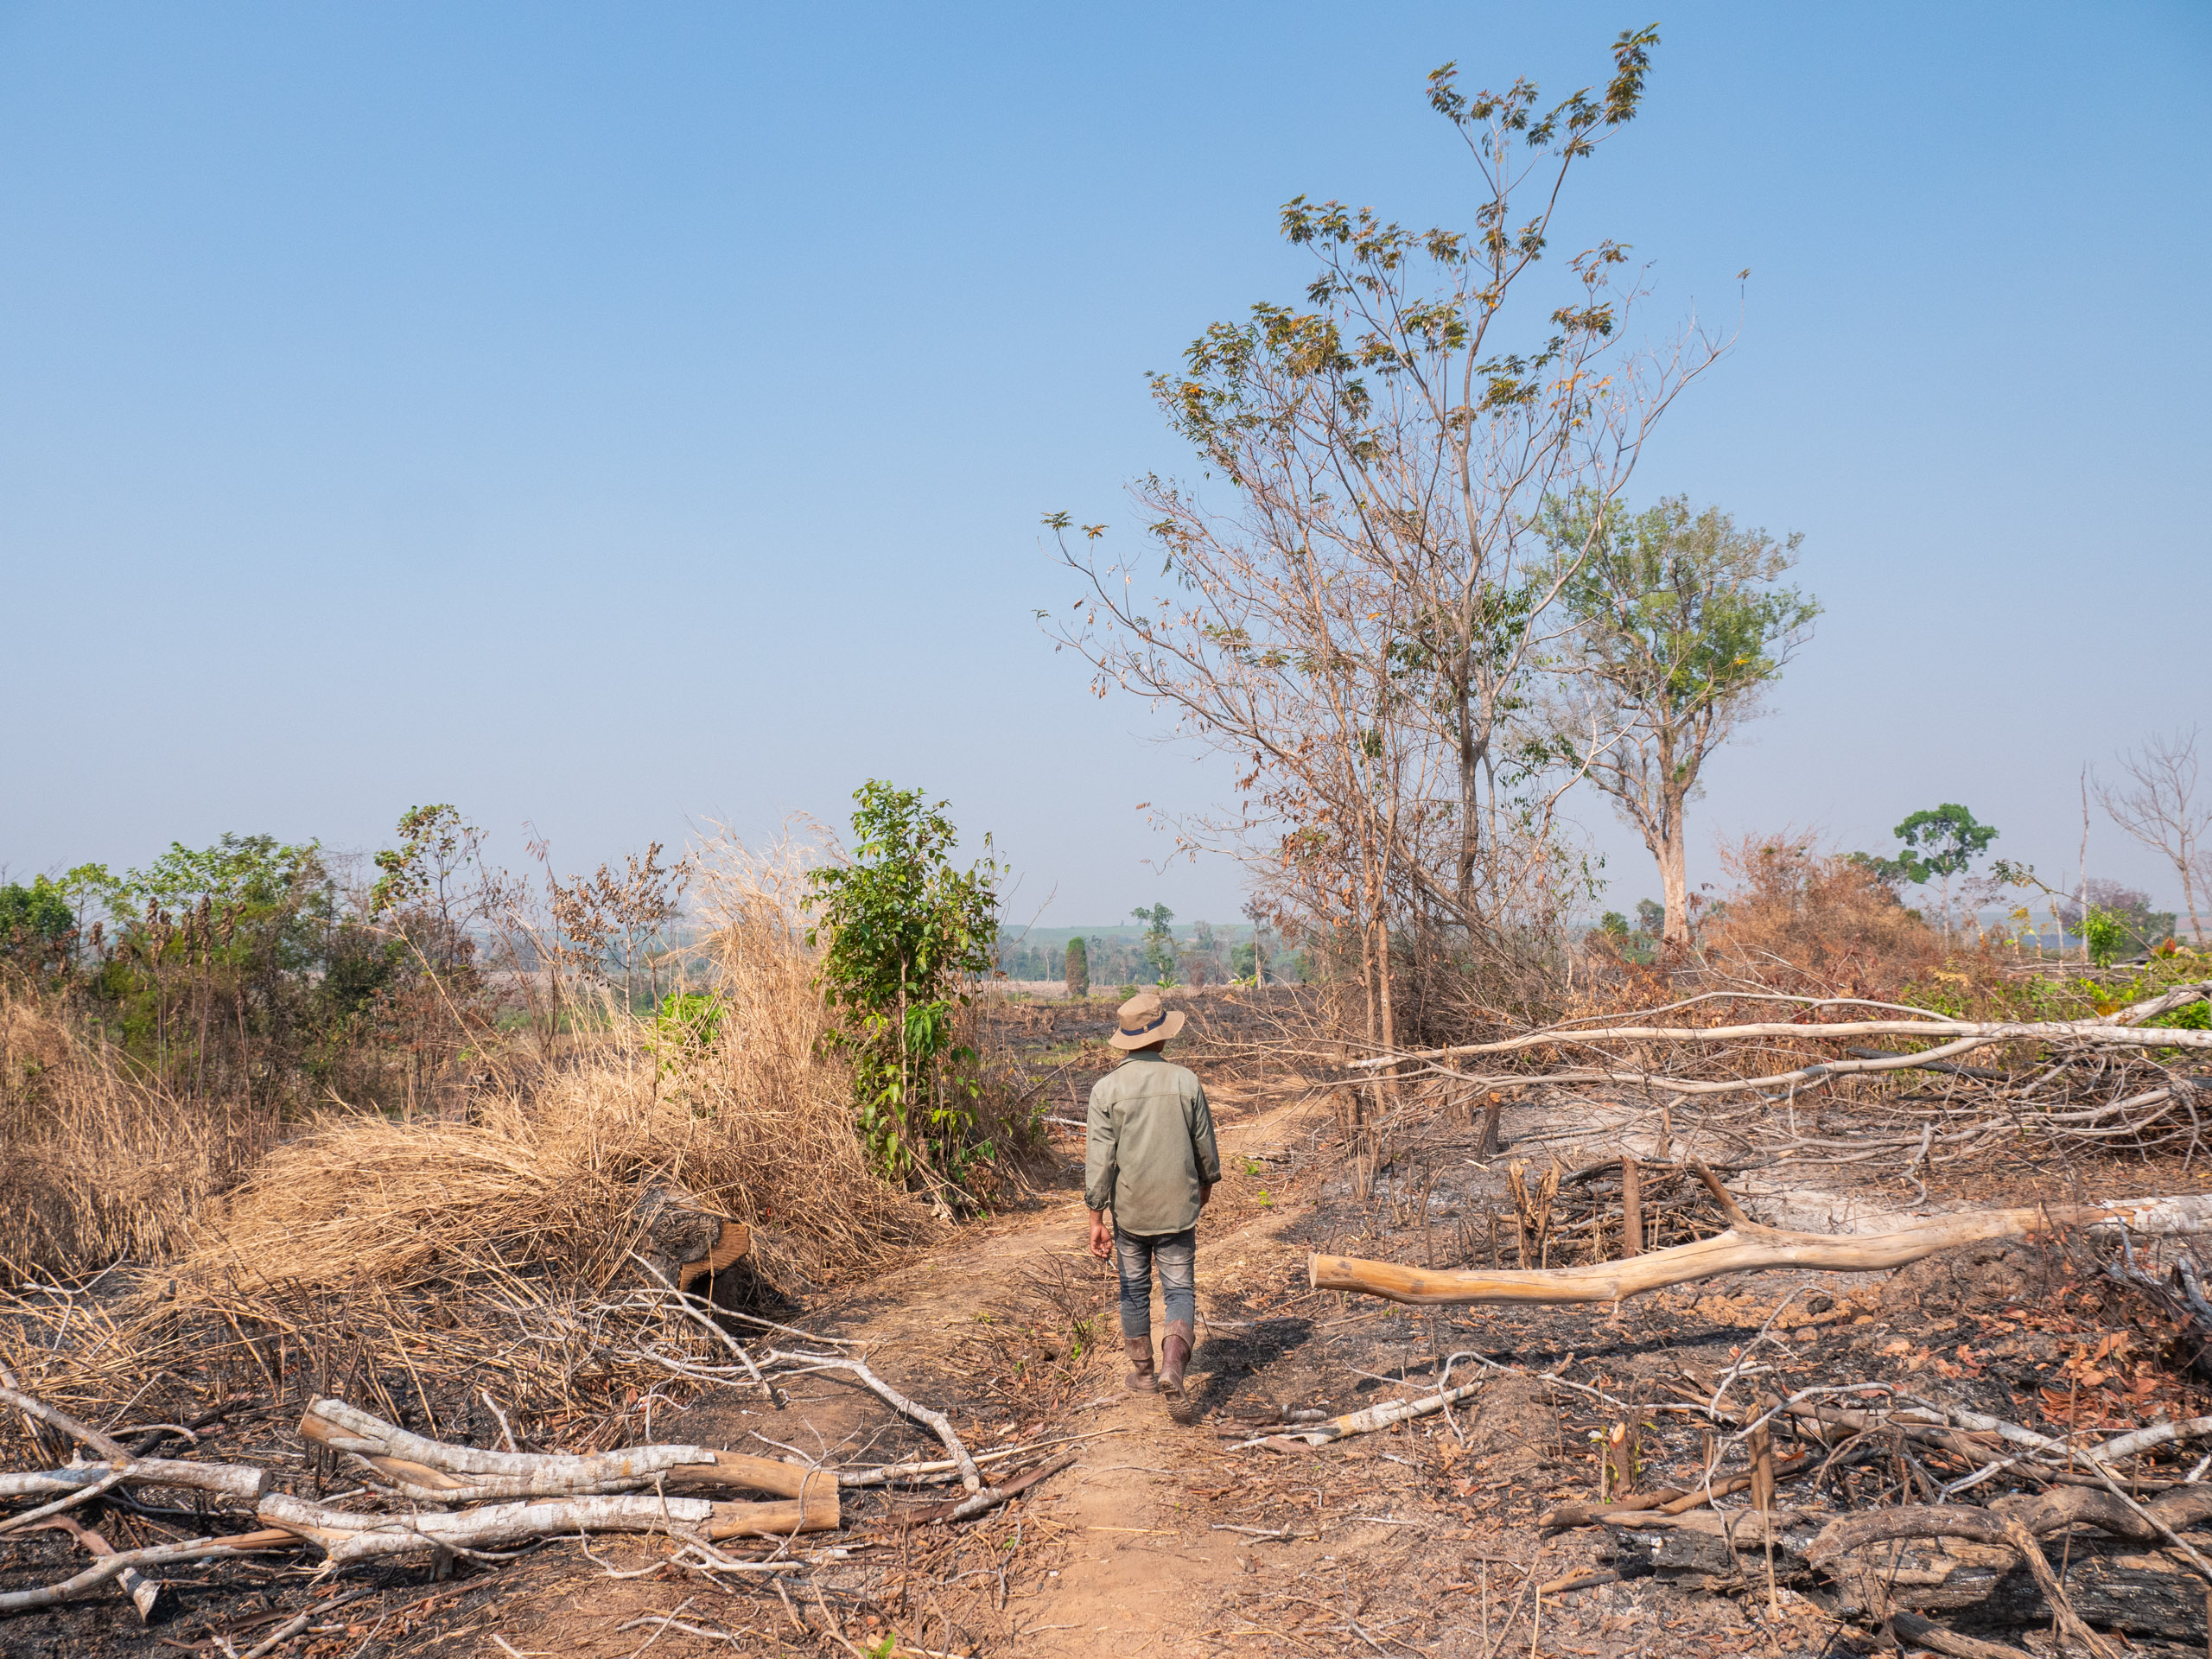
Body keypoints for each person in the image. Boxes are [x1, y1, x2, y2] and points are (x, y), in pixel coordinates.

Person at [1084, 989, 1220, 1421]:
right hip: (1177, 1209)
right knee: (1179, 1289)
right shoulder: (1186, 1082)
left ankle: (1144, 1373)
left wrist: (1096, 1217)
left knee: (1134, 1290)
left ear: (1126, 1041)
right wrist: (1205, 1184)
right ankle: (1173, 1369)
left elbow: (1100, 1161)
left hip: (1131, 1213)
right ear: (1161, 1039)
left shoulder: (1106, 1090)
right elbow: (1205, 1148)